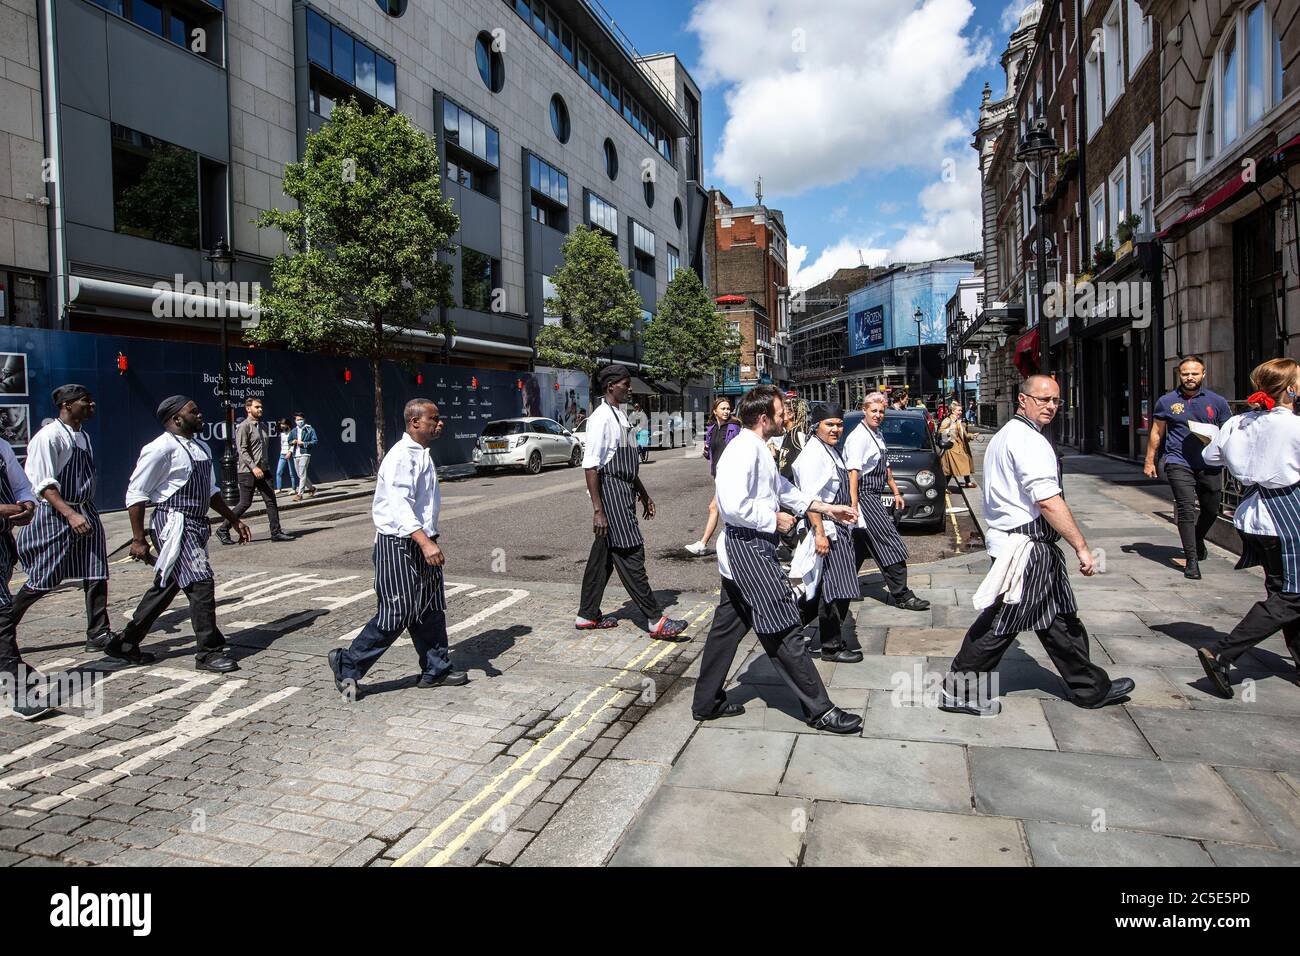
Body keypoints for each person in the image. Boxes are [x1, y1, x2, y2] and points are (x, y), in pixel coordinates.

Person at [941, 375, 1134, 716]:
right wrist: (1082, 547)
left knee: (1058, 619)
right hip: (1025, 549)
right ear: (1023, 399)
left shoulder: (1009, 436)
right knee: (1002, 622)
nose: (1050, 406)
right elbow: (1047, 501)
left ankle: (1090, 688)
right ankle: (958, 690)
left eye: (1056, 400)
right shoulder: (1029, 441)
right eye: (1043, 399)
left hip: (1021, 544)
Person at [691, 385, 863, 732]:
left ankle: (705, 702)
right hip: (748, 550)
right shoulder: (742, 449)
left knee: (726, 630)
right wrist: (774, 519)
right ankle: (821, 711)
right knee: (784, 630)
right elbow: (732, 505)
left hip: (749, 549)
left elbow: (785, 491)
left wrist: (827, 507)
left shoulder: (758, 447)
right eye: (782, 410)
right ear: (764, 417)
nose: (788, 416)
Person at [328, 399, 467, 699]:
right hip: (398, 544)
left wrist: (428, 539)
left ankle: (436, 668)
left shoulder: (421, 454)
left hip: (420, 540)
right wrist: (425, 541)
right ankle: (347, 663)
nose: (439, 423)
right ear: (415, 422)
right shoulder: (401, 456)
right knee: (397, 611)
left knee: (429, 608)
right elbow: (400, 506)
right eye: (434, 418)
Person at [107, 397, 251, 672]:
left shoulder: (201, 447)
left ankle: (125, 643)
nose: (199, 414)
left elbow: (210, 492)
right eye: (193, 411)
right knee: (201, 582)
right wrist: (139, 539)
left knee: (170, 584)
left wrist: (234, 519)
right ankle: (208, 652)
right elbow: (136, 494)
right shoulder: (159, 449)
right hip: (173, 524)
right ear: (176, 418)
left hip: (196, 525)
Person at [1197, 359, 1300, 697]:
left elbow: (1211, 456)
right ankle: (1222, 653)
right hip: (1288, 515)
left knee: (1282, 592)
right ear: (1289, 389)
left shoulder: (1238, 422)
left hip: (1252, 513)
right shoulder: (1294, 427)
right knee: (1292, 595)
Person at [576, 364, 687, 639]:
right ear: (611, 386)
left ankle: (587, 615)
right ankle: (655, 619)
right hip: (610, 493)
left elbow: (629, 464)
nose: (629, 388)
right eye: (625, 384)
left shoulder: (620, 417)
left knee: (602, 558)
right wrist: (598, 511)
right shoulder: (601, 418)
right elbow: (591, 466)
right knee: (630, 552)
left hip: (624, 489)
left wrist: (644, 494)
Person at [9, 385, 116, 656]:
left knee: (96, 571)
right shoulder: (49, 436)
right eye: (85, 401)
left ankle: (98, 632)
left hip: (84, 510)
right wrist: (70, 514)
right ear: (67, 405)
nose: (91, 405)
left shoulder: (82, 436)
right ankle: (4, 627)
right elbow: (43, 484)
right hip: (58, 514)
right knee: (43, 578)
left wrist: (81, 511)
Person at [1144, 356, 1233, 579]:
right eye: (1185, 373)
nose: (1190, 377)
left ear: (1203, 374)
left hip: (1209, 463)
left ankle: (1197, 537)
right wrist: (1150, 460)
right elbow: (1157, 431)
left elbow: (1229, 432)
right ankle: (1191, 560)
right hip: (1177, 461)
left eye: (1194, 373)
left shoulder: (1217, 401)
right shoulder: (1166, 401)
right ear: (1179, 374)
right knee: (1185, 509)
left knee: (1211, 509)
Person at [790, 404, 864, 663]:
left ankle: (787, 629)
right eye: (829, 424)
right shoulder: (813, 455)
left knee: (824, 588)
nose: (835, 429)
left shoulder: (828, 449)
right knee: (837, 589)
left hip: (839, 528)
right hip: (829, 532)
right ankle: (832, 646)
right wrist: (820, 533)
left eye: (839, 424)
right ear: (816, 426)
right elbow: (810, 499)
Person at [844, 393, 929, 611]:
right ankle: (902, 595)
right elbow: (853, 473)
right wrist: (854, 504)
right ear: (865, 410)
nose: (878, 415)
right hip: (864, 496)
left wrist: (896, 492)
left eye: (881, 411)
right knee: (891, 542)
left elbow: (886, 468)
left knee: (860, 544)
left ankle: (843, 585)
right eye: (874, 411)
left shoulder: (877, 434)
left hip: (872, 493)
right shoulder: (858, 437)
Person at [0, 433, 42, 718]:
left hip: (2, 544)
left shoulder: (1, 445)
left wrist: (27, 505)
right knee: (2, 615)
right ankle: (20, 688)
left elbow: (21, 485)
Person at [219, 398, 293, 544]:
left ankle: (276, 532)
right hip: (247, 472)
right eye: (257, 407)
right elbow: (242, 450)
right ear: (248, 409)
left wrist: (264, 468)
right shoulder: (244, 426)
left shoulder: (263, 426)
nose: (260, 409)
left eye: (261, 407)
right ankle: (223, 529)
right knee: (245, 503)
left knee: (271, 501)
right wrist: (253, 467)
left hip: (264, 470)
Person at [685, 397, 741, 555]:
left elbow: (738, 450)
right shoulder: (712, 427)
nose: (726, 411)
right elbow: (711, 451)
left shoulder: (734, 427)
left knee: (714, 507)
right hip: (718, 474)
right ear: (715, 411)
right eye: (723, 408)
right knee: (730, 510)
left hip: (730, 475)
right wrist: (706, 450)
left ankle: (702, 544)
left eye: (728, 408)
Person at [937, 404, 977, 489]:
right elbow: (941, 431)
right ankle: (946, 487)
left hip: (960, 447)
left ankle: (967, 482)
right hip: (951, 447)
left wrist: (972, 436)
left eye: (961, 410)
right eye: (959, 410)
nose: (961, 412)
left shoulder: (959, 421)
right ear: (953, 411)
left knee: (960, 464)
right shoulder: (948, 420)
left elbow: (964, 434)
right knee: (951, 468)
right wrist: (951, 430)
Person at [291, 411, 318, 499]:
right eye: (298, 420)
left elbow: (315, 441)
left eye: (301, 419)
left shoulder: (309, 429)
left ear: (304, 419)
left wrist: (304, 443)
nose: (300, 421)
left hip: (305, 453)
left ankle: (300, 494)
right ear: (295, 421)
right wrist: (292, 442)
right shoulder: (293, 431)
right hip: (296, 454)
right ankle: (312, 488)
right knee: (300, 475)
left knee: (302, 473)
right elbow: (289, 441)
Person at [275, 418, 297, 493]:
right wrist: (283, 452)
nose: (282, 426)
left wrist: (290, 452)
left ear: (288, 424)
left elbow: (293, 444)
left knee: (292, 473)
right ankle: (279, 489)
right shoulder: (282, 433)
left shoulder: (292, 432)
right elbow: (282, 444)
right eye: (281, 424)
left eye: (284, 424)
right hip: (282, 454)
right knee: (279, 472)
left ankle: (294, 489)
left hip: (290, 454)